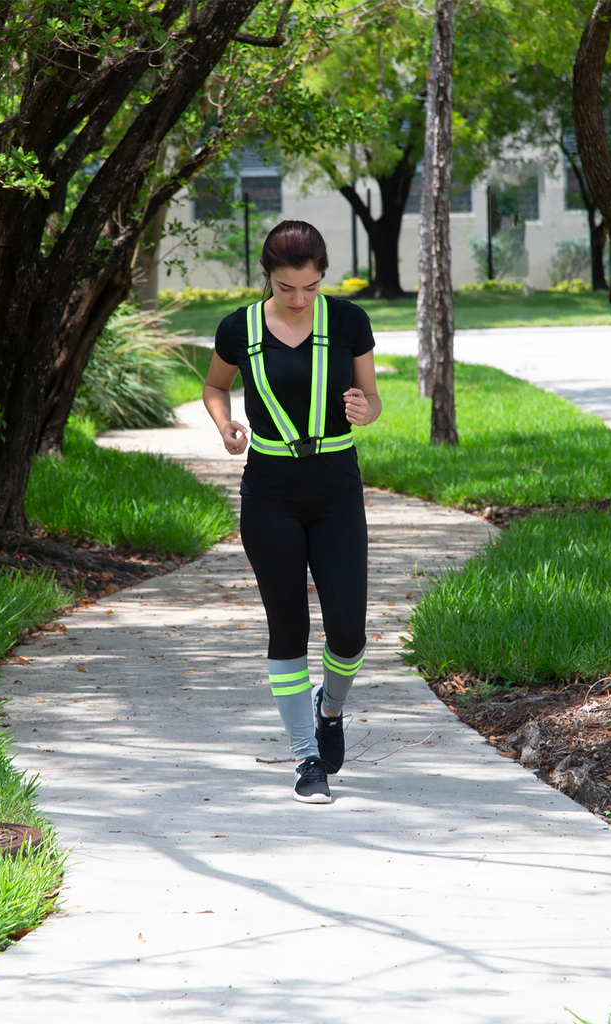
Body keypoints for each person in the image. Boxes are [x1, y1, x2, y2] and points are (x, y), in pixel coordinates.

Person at [202, 220, 381, 804]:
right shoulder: (240, 329)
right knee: (289, 627)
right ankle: (307, 759)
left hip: (335, 486)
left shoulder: (349, 322)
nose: (300, 300)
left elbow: (371, 398)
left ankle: (329, 709)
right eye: (286, 288)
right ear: (268, 279)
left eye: (310, 286)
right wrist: (225, 424)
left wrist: (365, 408)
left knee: (349, 632)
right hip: (270, 490)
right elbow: (214, 387)